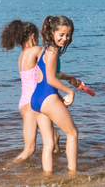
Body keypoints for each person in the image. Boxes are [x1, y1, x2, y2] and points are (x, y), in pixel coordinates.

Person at [0, 19, 60, 166]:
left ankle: (57, 162)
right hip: (36, 101)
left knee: (55, 136)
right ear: (33, 36)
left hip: (23, 103)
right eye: (37, 36)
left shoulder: (22, 55)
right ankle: (5, 169)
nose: (38, 39)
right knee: (30, 149)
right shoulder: (36, 50)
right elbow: (48, 74)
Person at [31, 15, 79, 173]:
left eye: (68, 35)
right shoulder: (53, 52)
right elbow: (51, 79)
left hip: (37, 99)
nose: (65, 38)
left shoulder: (45, 49)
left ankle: (47, 177)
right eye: (61, 35)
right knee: (72, 133)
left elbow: (50, 74)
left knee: (48, 143)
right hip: (48, 98)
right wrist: (69, 90)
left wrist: (67, 78)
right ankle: (72, 174)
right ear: (52, 32)